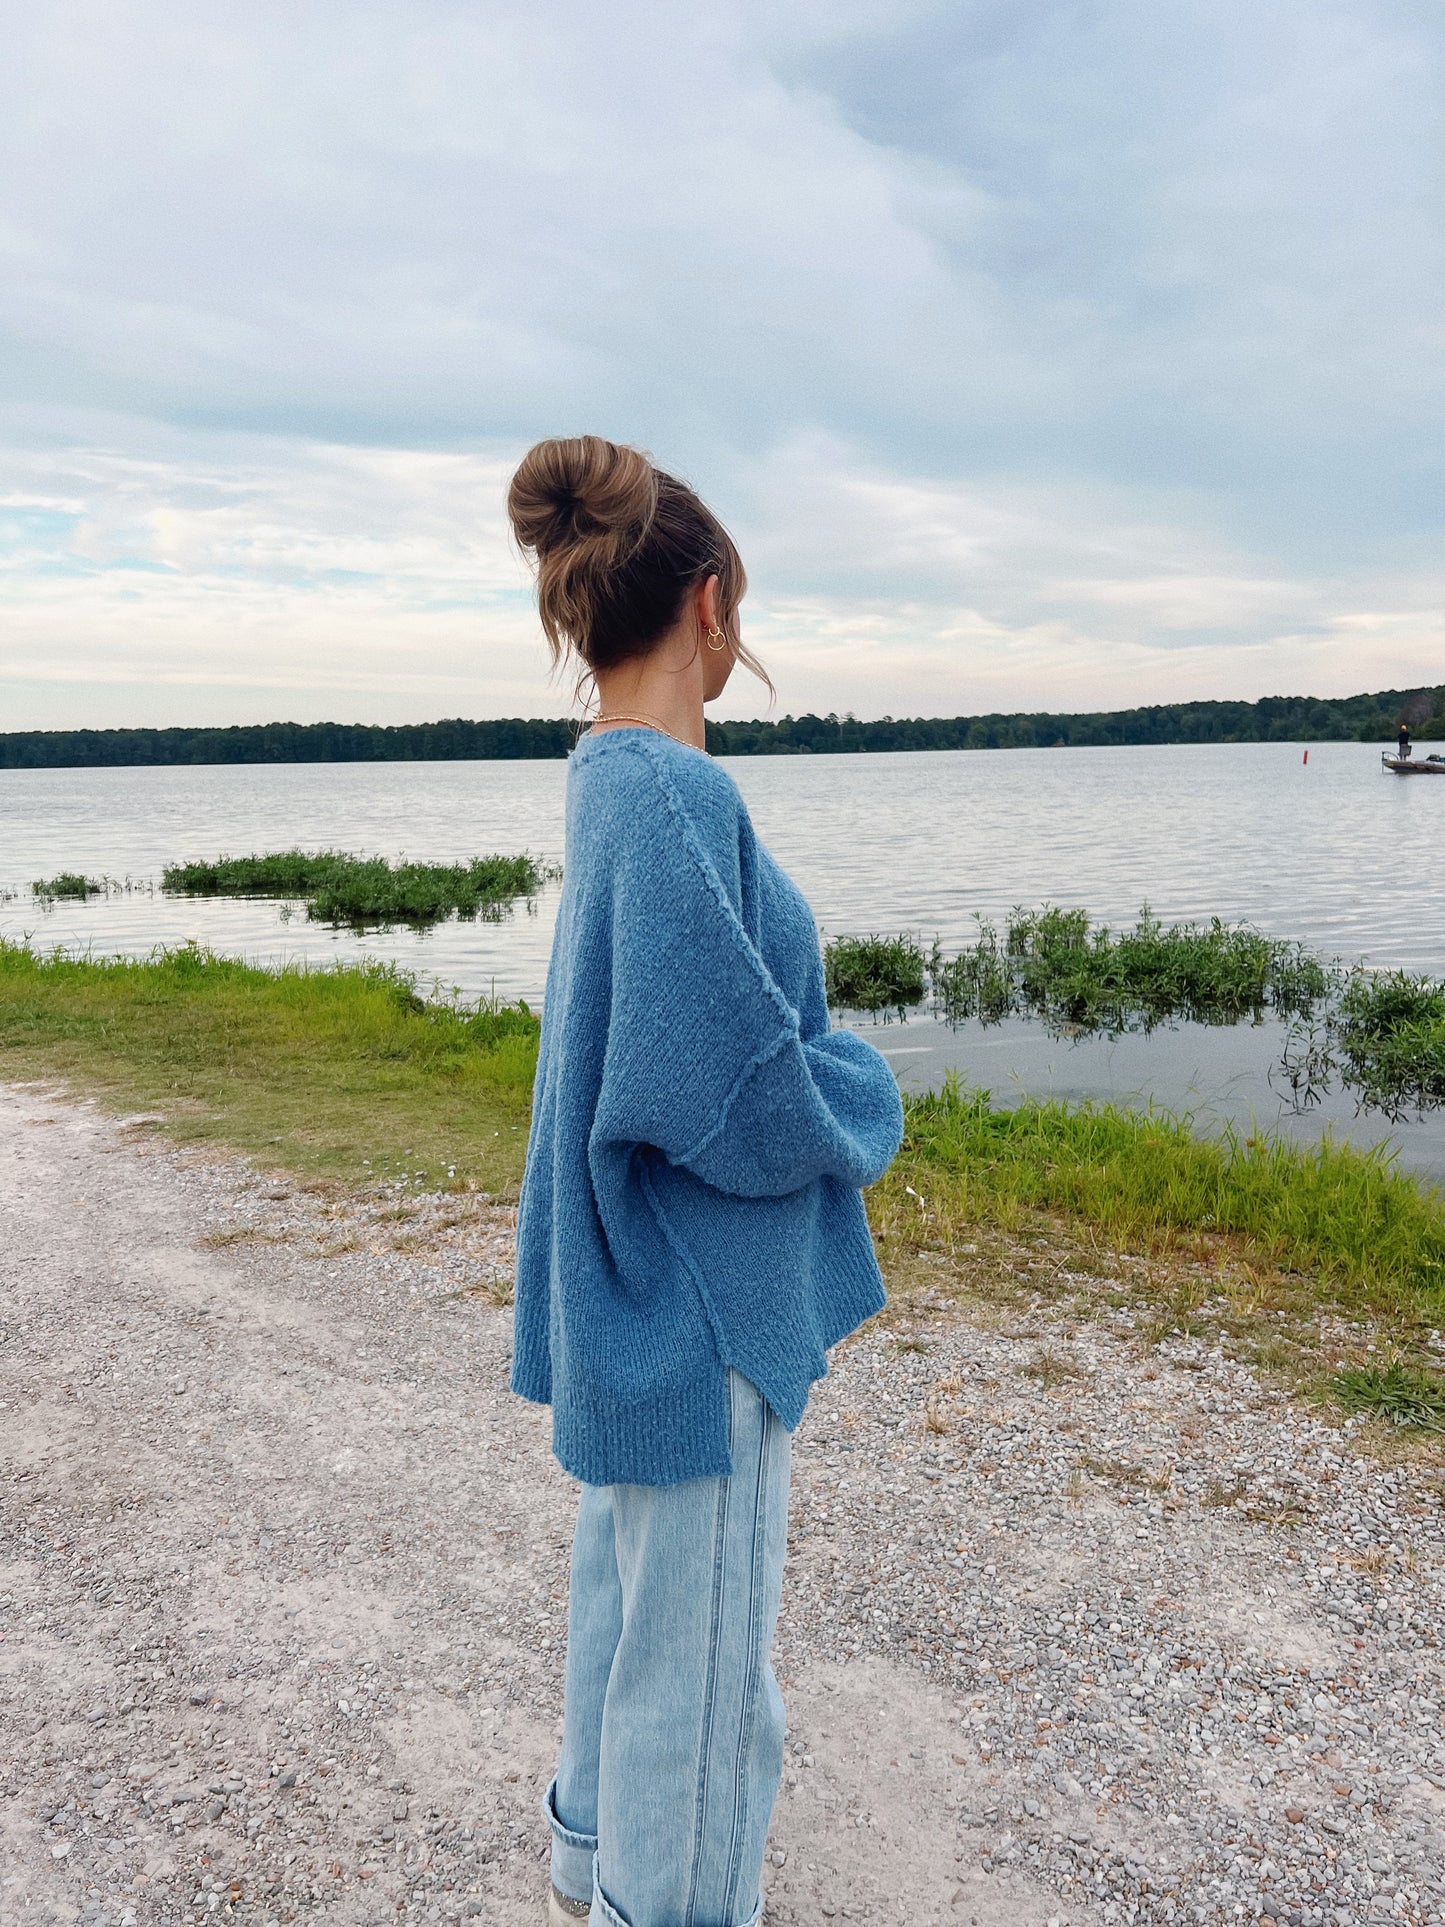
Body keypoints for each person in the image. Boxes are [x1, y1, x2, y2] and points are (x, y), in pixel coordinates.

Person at [506, 435, 904, 1927]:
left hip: (637, 1284)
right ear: (710, 606)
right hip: (701, 1304)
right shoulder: (672, 799)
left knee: (638, 1611)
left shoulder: (608, 784)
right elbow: (726, 1089)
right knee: (707, 1668)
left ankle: (593, 1872)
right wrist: (861, 1091)